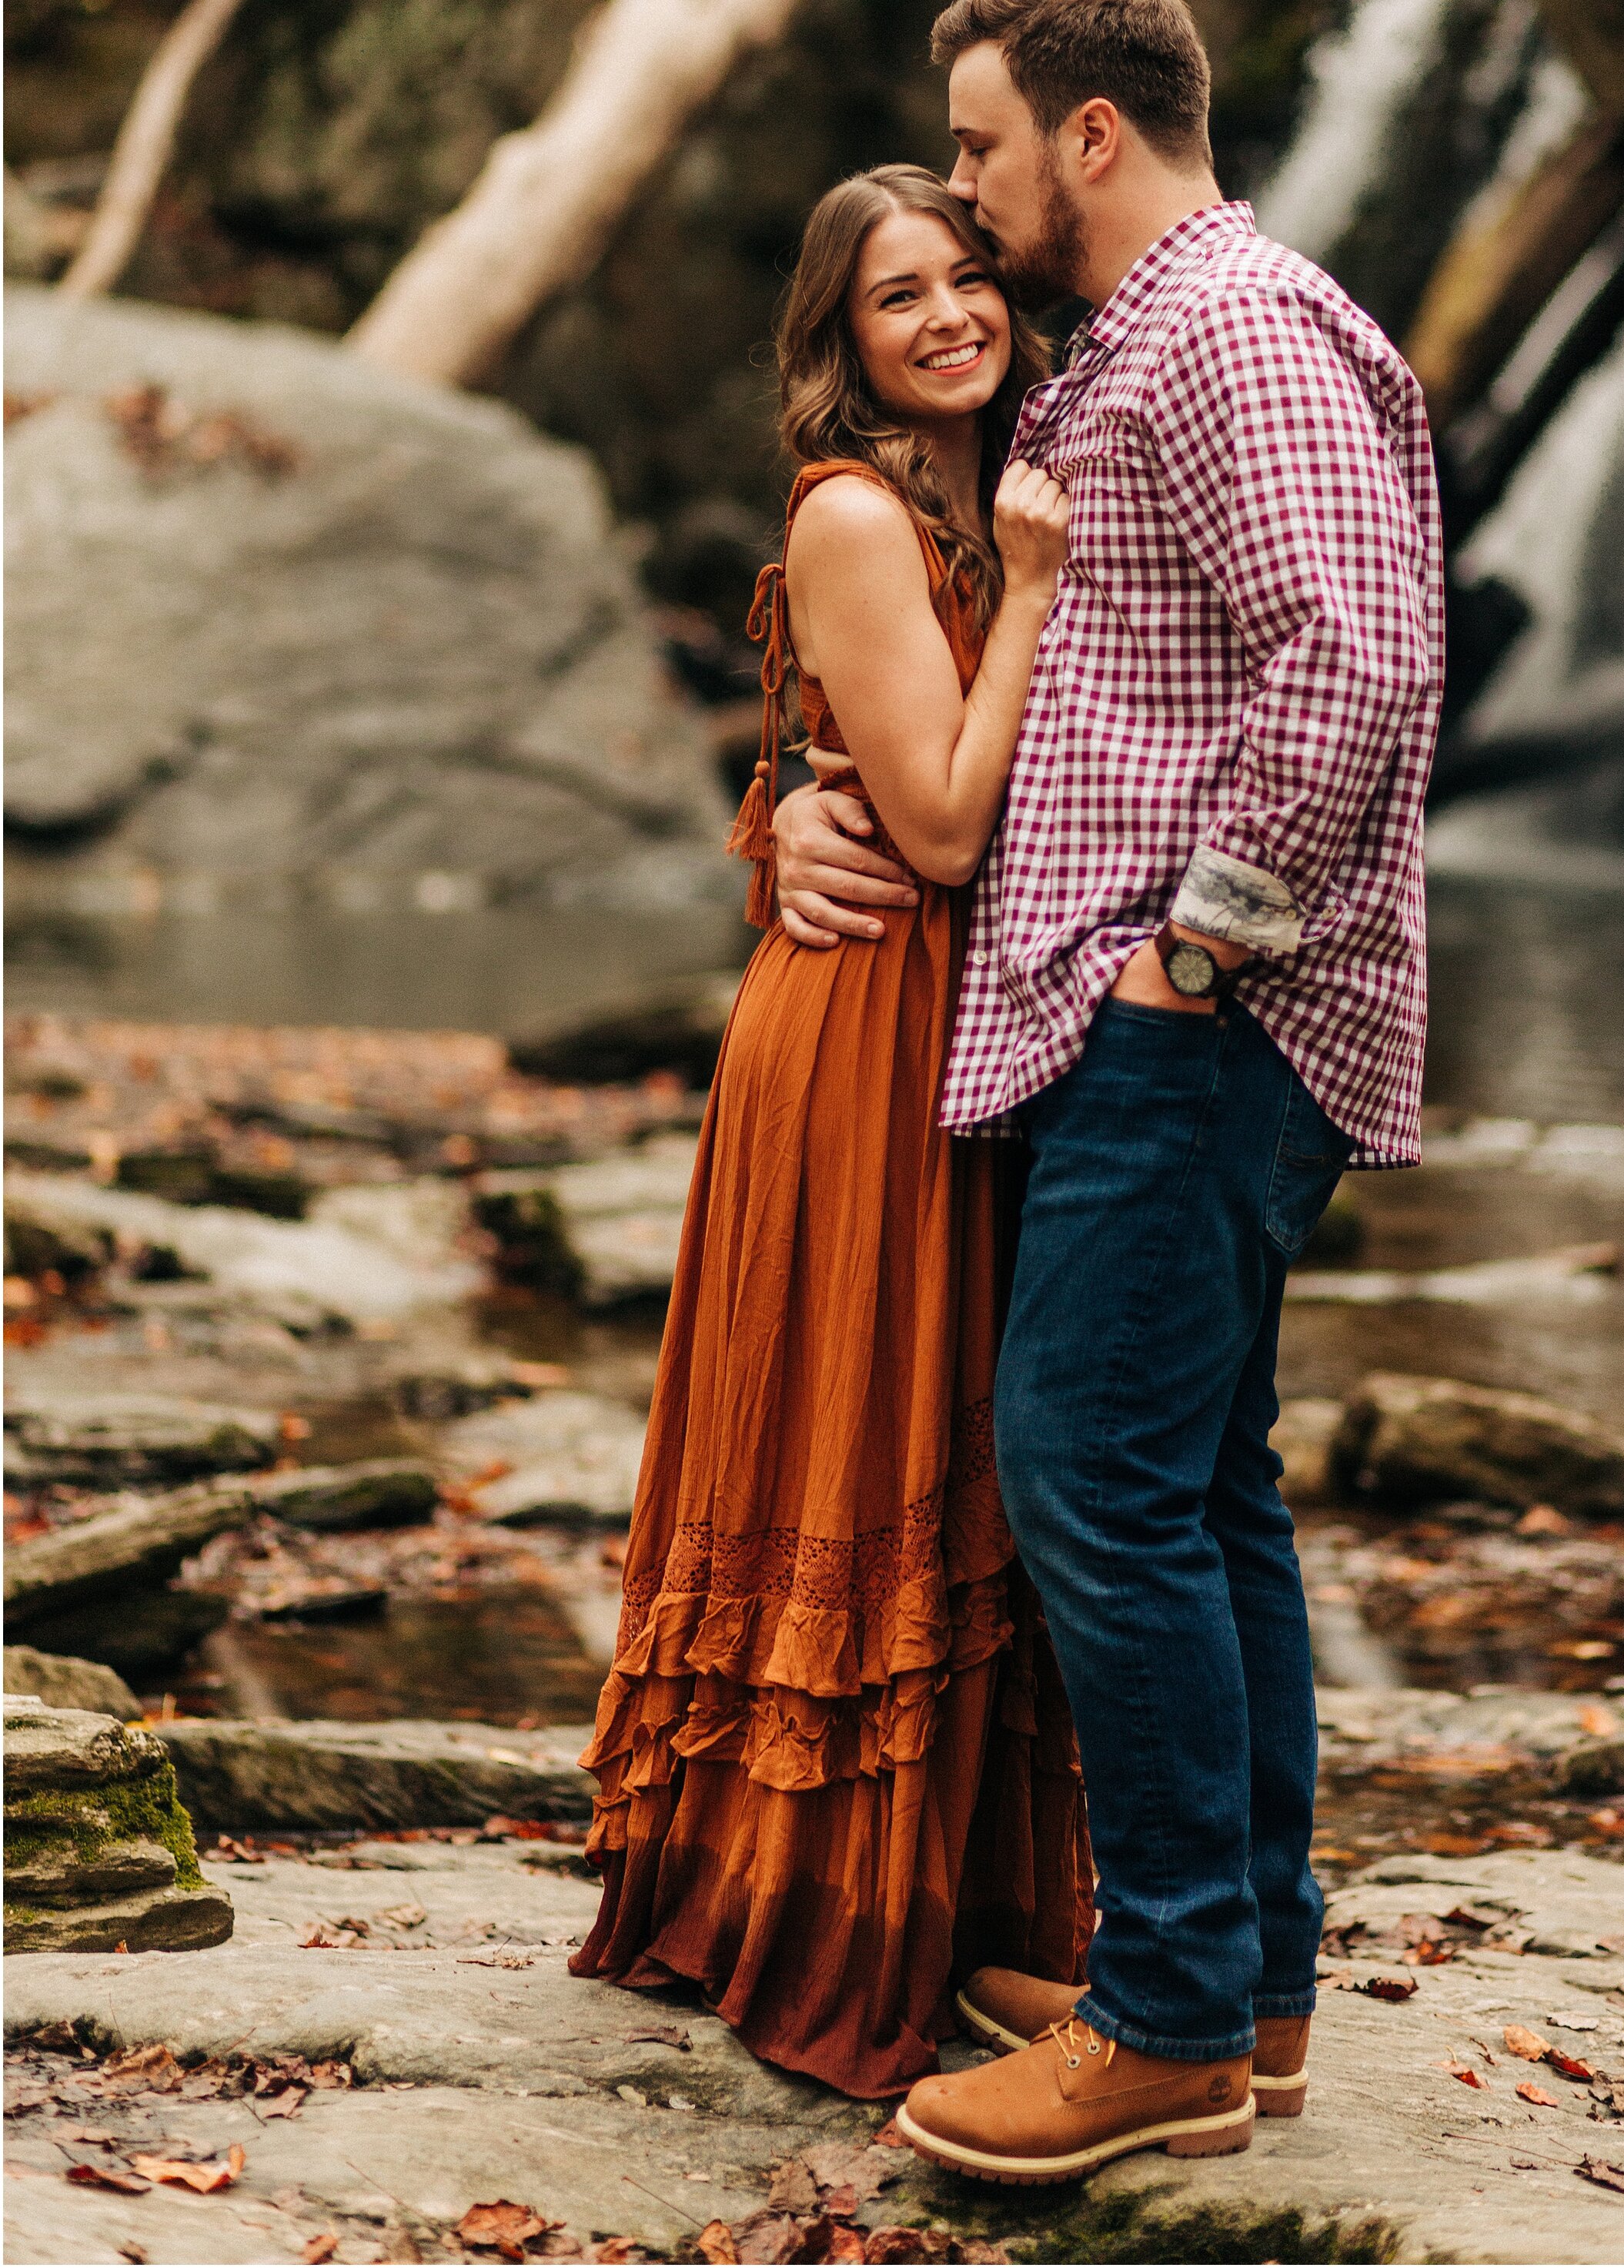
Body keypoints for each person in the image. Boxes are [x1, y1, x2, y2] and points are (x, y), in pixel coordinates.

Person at [770, 0, 1444, 2181]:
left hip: (1200, 1022)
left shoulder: (1237, 329)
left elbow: (1343, 662)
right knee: (1206, 1489)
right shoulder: (1144, 350)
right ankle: (1235, 1982)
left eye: (973, 146)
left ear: (1083, 131)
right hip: (1162, 1012)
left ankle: (1157, 2016)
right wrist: (794, 809)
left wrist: (1193, 955)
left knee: (1084, 1470)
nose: (960, 194)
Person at [570, 165, 1091, 2100]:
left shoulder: (999, 474)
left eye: (970, 277)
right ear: (837, 336)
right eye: (899, 296)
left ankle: (943, 1908)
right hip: (869, 1031)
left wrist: (785, 801)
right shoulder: (870, 511)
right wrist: (1030, 591)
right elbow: (944, 824)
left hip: (958, 1031)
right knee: (856, 1431)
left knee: (948, 1434)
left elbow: (843, 763)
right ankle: (804, 1909)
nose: (950, 314)